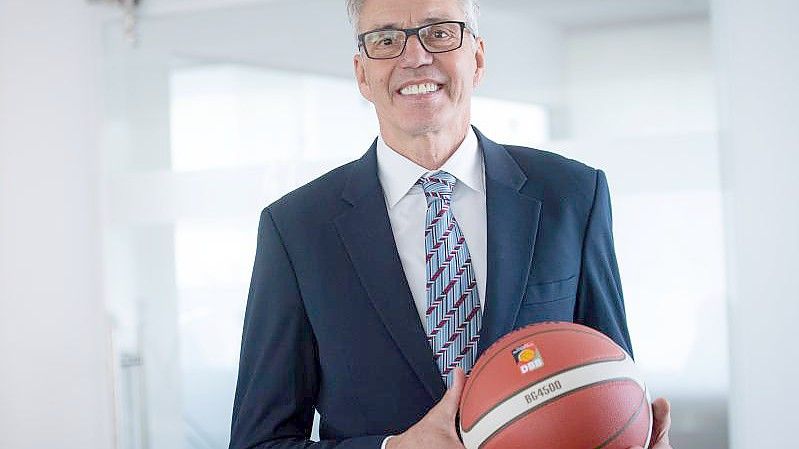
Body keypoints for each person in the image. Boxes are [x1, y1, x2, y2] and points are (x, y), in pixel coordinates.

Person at [229, 0, 673, 448]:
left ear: (477, 59)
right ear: (363, 74)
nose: (415, 57)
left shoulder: (573, 195)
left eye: (439, 33)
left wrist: (633, 435)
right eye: (385, 40)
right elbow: (258, 442)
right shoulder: (297, 229)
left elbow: (611, 380)